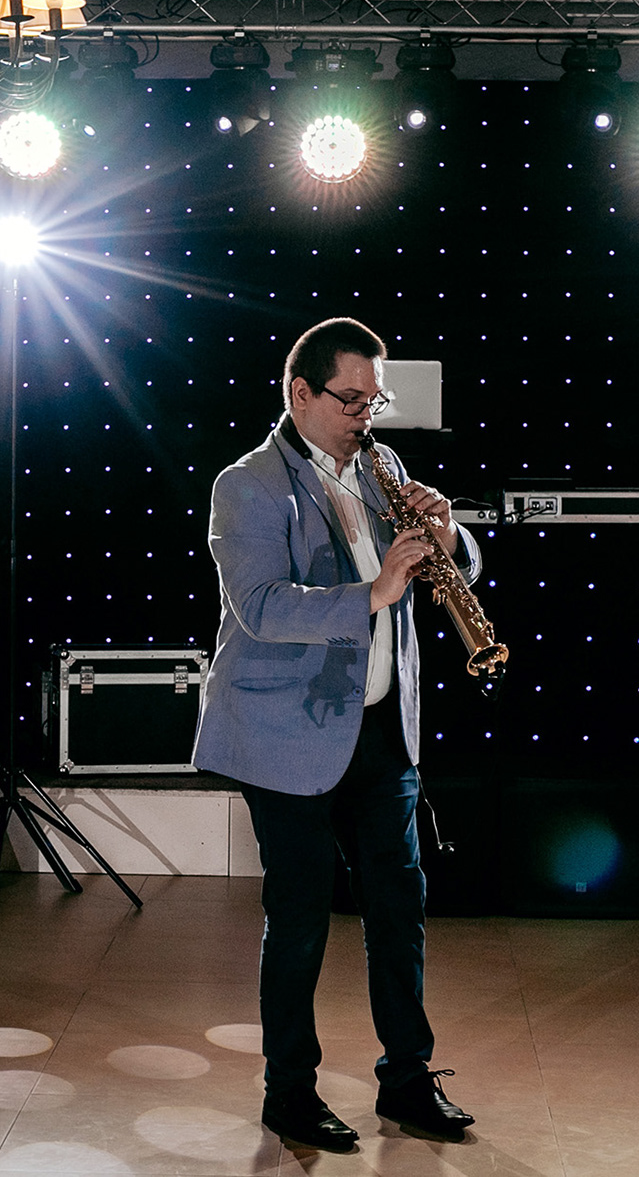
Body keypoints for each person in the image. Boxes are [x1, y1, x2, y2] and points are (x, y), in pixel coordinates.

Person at [191, 317, 480, 1151]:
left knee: (400, 910)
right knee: (300, 916)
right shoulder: (248, 484)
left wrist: (448, 536)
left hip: (382, 728)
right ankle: (290, 1092)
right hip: (287, 735)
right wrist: (376, 591)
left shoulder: (385, 469)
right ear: (301, 393)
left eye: (373, 401)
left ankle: (408, 1081)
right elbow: (261, 606)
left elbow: (451, 566)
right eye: (351, 400)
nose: (365, 416)